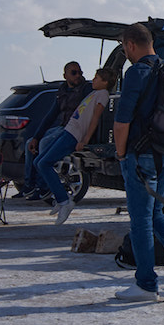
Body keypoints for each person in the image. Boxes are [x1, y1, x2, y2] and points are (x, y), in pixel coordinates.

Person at [112, 22, 164, 301]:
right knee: (153, 213)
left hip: (142, 156)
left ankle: (146, 284)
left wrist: (122, 153)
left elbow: (122, 121)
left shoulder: (136, 72)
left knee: (140, 220)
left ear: (130, 45)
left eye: (124, 47)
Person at [36, 67, 116, 224]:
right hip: (68, 130)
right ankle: (61, 199)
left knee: (45, 164)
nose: (92, 80)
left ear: (105, 82)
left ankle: (65, 201)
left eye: (96, 78)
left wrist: (85, 139)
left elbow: (95, 118)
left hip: (74, 135)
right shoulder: (94, 92)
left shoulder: (103, 94)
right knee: (38, 162)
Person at [20, 61, 93, 199]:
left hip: (74, 128)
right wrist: (36, 136)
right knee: (31, 143)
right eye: (74, 73)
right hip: (62, 126)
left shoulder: (86, 89)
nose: (78, 75)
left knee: (45, 143)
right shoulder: (63, 91)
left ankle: (44, 186)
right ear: (65, 75)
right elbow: (50, 116)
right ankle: (29, 185)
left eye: (80, 72)